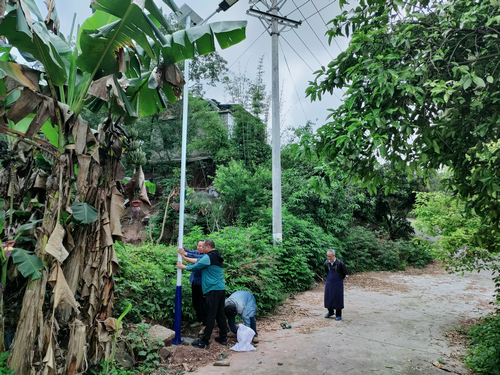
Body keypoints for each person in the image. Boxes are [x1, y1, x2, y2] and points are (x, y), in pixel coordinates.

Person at [177, 239, 227, 349]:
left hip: (212, 289)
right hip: (220, 289)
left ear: (208, 247)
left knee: (210, 314)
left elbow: (196, 266)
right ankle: (223, 337)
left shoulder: (208, 257)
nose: (202, 249)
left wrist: (183, 266)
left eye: (203, 247)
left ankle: (205, 341)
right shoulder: (216, 255)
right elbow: (195, 258)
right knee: (220, 314)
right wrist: (185, 253)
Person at [178, 241, 206, 329]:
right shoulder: (195, 252)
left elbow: (195, 258)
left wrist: (184, 254)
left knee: (202, 303)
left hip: (202, 283)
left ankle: (205, 322)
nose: (200, 247)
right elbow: (190, 252)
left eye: (202, 246)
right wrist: (182, 246)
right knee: (195, 302)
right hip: (194, 281)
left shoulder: (205, 256)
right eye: (198, 245)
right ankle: (199, 319)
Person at [324, 249, 347, 320]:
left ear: (334, 255)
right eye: (328, 256)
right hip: (329, 282)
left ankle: (338, 315)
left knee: (338, 298)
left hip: (337, 283)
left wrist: (339, 279)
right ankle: (330, 312)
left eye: (330, 256)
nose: (329, 258)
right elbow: (326, 271)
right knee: (328, 297)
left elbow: (344, 273)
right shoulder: (326, 263)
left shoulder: (340, 263)